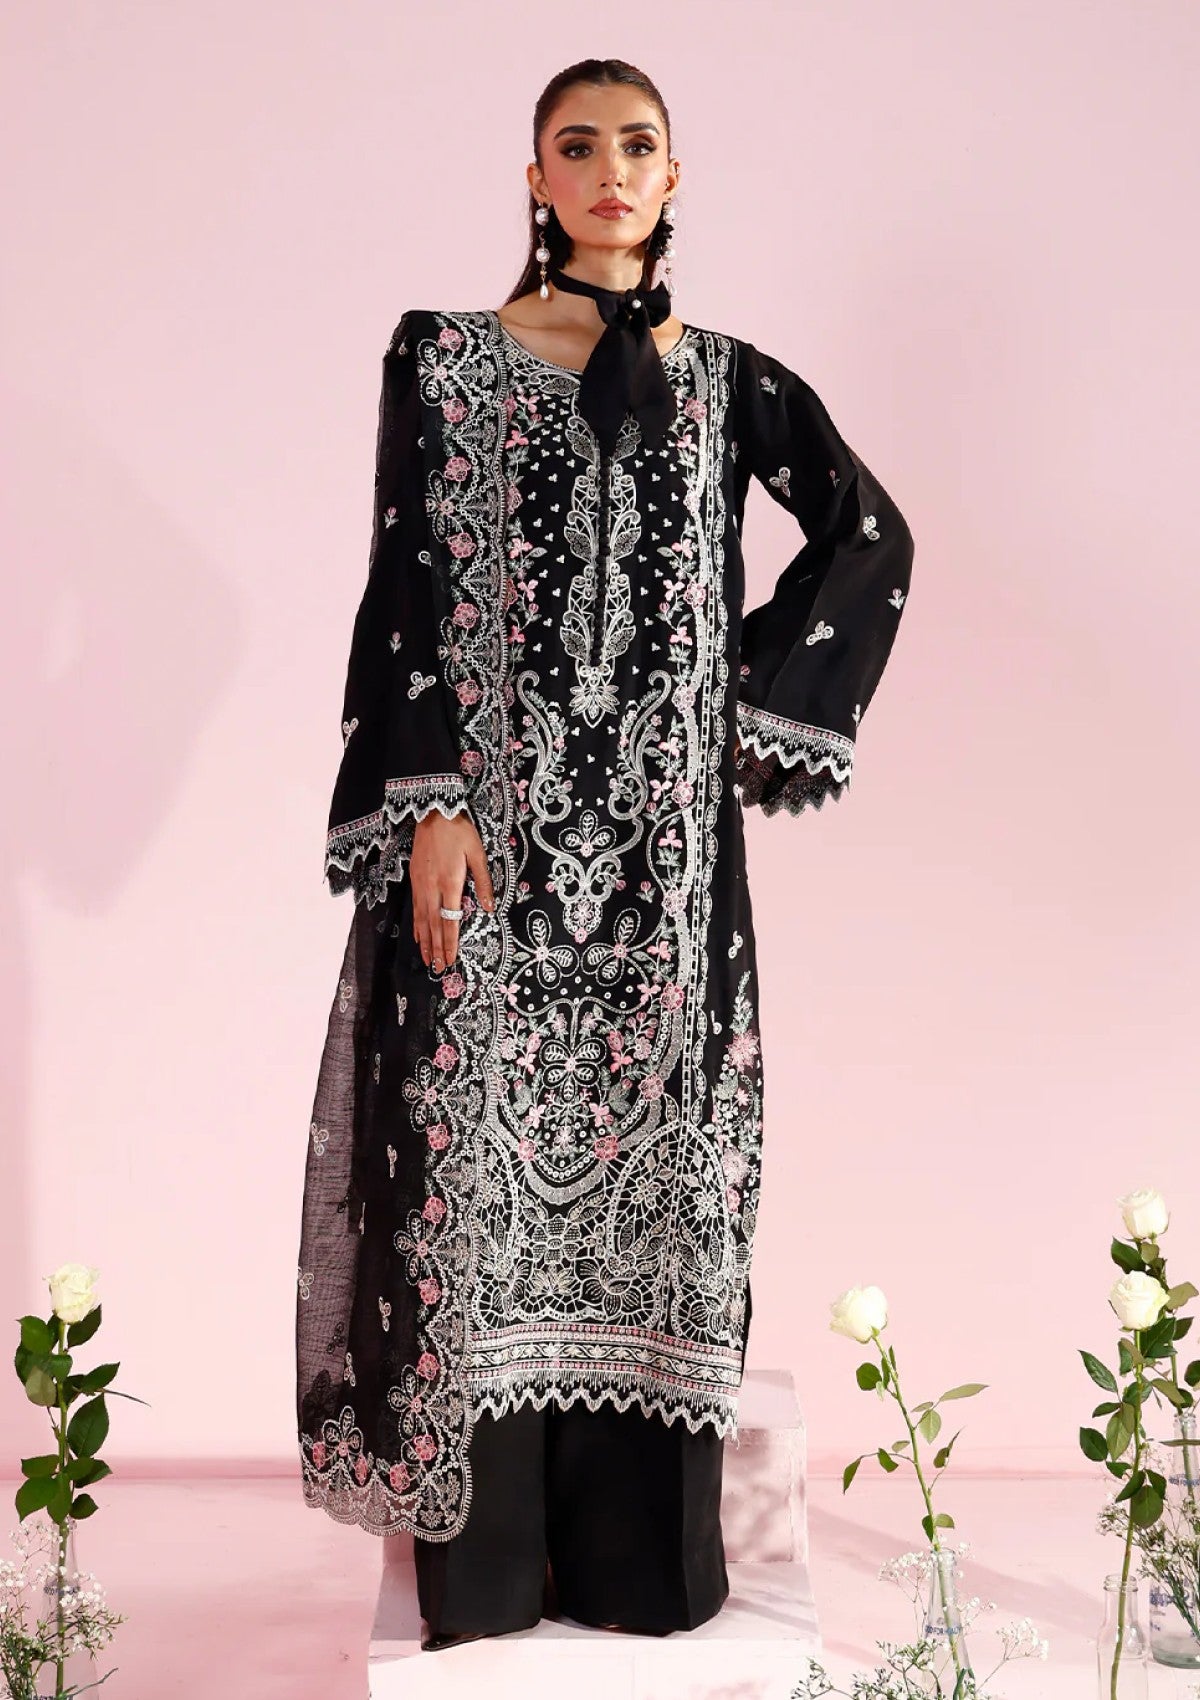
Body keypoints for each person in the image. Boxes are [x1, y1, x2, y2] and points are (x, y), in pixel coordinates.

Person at [295, 56, 915, 1651]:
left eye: (639, 144)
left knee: (667, 1176)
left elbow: (869, 536)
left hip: (665, 871)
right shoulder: (448, 360)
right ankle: (491, 1567)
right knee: (472, 1175)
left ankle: (642, 1563)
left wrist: (744, 710)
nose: (611, 170)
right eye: (578, 147)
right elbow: (406, 587)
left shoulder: (731, 381)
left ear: (674, 174)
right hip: (490, 858)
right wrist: (431, 799)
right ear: (537, 180)